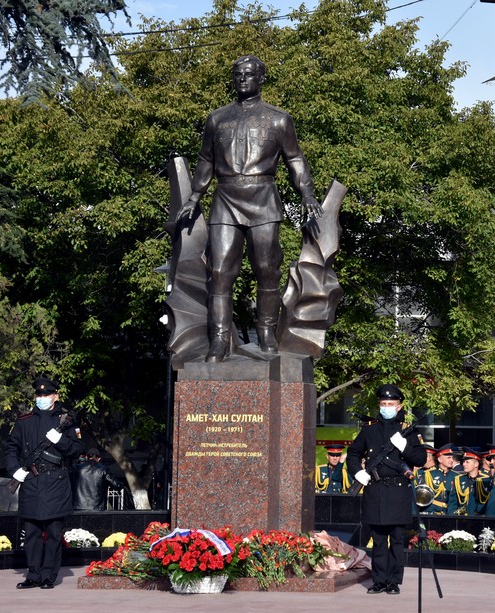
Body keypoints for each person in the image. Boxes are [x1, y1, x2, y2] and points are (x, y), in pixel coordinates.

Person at [178, 55, 323, 362]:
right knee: (218, 271)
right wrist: (194, 196)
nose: (242, 79)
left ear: (260, 78)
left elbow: (295, 159)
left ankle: (267, 330)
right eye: (237, 74)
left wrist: (307, 193)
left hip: (263, 197)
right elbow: (206, 160)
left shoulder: (278, 119)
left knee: (267, 268)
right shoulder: (217, 119)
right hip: (226, 197)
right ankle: (218, 339)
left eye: (248, 74)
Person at [346, 384, 426, 596]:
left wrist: (404, 447)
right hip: (375, 490)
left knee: (397, 540)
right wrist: (357, 472)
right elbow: (353, 452)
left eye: (391, 404)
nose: (387, 407)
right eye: (383, 404)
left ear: (399, 407)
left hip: (398, 491)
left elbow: (421, 458)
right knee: (379, 540)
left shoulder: (408, 431)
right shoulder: (369, 429)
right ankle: (379, 580)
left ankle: (393, 581)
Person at [4, 376, 82, 589]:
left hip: (56, 481)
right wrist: (16, 471)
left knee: (54, 533)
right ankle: (33, 574)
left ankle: (49, 575)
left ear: (55, 396)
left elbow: (76, 449)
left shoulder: (66, 420)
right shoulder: (24, 420)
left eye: (46, 394)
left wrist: (61, 441)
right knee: (32, 533)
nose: (42, 398)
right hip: (32, 481)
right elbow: (11, 448)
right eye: (39, 394)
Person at [449, 447, 484, 515]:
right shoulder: (458, 479)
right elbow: (452, 502)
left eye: (467, 462)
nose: (464, 464)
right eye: (464, 462)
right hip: (461, 518)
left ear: (476, 464)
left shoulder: (485, 480)